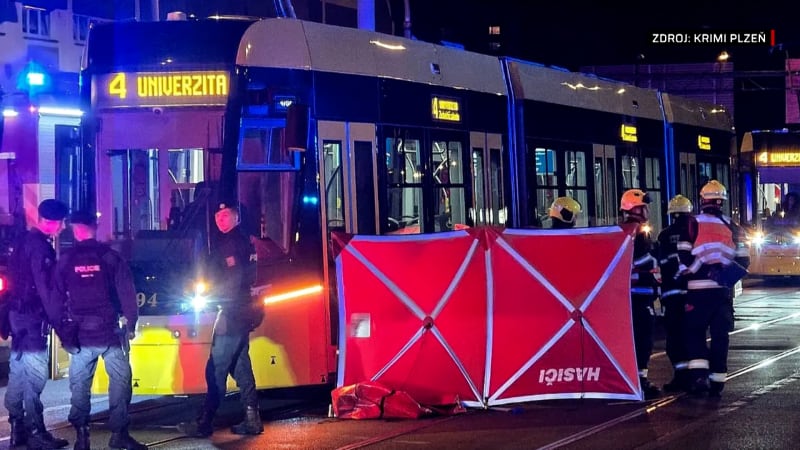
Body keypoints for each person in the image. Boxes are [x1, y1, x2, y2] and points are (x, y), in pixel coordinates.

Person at [52, 210, 147, 450]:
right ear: (95, 227)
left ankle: (82, 437)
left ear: (75, 229)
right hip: (109, 333)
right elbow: (127, 294)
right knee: (121, 381)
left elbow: (55, 297)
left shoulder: (66, 259)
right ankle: (119, 435)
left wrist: (64, 331)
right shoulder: (110, 257)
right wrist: (132, 324)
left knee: (80, 385)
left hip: (80, 334)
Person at [179, 199, 264, 438]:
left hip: (231, 313)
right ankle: (252, 419)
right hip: (243, 310)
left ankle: (205, 422)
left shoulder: (230, 244)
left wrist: (210, 294)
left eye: (225, 215)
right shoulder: (245, 241)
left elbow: (233, 280)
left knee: (215, 367)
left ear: (236, 217)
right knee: (241, 365)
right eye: (218, 216)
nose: (220, 219)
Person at [3, 199, 70, 449]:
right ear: (52, 222)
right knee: (34, 376)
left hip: (16, 316)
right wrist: (60, 323)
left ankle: (17, 430)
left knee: (18, 373)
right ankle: (35, 431)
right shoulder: (41, 248)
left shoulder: (20, 242)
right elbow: (46, 290)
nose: (62, 228)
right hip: (32, 319)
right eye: (61, 223)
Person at [682, 180, 750, 398]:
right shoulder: (732, 225)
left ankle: (699, 378)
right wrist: (723, 275)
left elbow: (682, 254)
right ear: (722, 201)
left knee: (695, 333)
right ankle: (718, 379)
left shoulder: (691, 223)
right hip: (722, 292)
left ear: (702, 200)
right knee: (721, 335)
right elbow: (744, 259)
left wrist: (693, 270)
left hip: (697, 290)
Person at [619, 189, 661, 400]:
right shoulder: (639, 231)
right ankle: (640, 381)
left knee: (633, 339)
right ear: (634, 208)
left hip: (629, 296)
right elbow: (639, 261)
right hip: (640, 295)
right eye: (644, 207)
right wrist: (657, 260)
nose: (647, 211)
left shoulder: (625, 230)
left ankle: (633, 380)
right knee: (643, 340)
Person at [657, 194, 697, 393]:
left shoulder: (664, 236)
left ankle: (681, 376)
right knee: (694, 335)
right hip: (693, 294)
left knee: (674, 337)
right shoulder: (694, 232)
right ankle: (698, 378)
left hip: (671, 295)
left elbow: (661, 265)